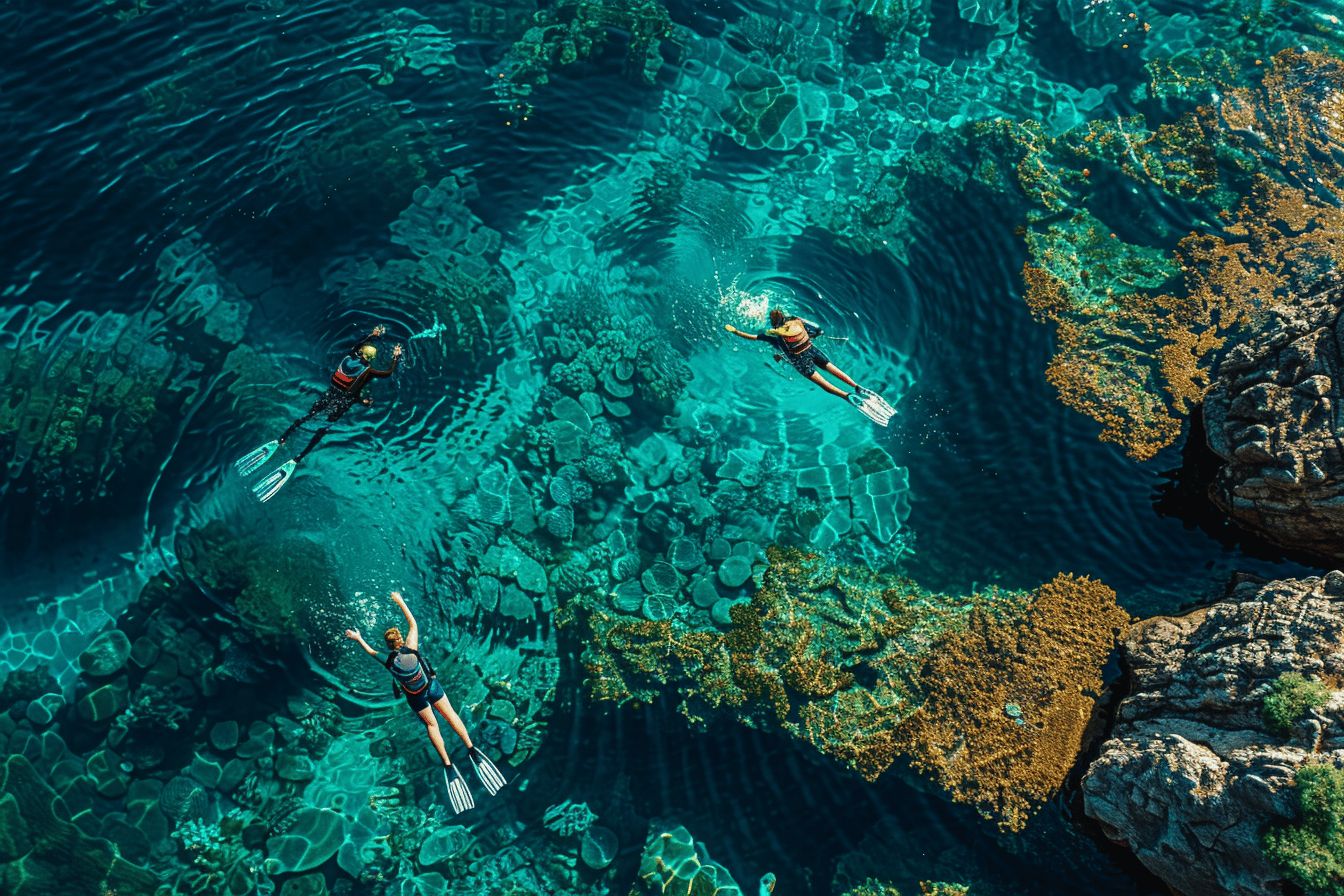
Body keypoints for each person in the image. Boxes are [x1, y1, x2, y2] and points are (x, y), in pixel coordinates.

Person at [344, 591, 507, 814]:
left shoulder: (388, 661)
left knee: (433, 726)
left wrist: (358, 637)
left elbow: (371, 651)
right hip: (432, 687)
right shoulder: (412, 647)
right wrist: (401, 601)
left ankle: (448, 765)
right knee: (452, 717)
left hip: (416, 697)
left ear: (388, 645)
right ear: (400, 639)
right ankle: (471, 748)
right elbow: (413, 622)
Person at [234, 325, 403, 501]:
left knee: (308, 416)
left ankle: (282, 439)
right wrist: (396, 357)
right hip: (342, 402)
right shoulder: (368, 371)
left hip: (329, 394)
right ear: (370, 359)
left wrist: (372, 335)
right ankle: (297, 458)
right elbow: (387, 373)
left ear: (360, 352)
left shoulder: (349, 357)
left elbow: (357, 345)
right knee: (323, 429)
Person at [725, 308, 863, 399]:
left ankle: (846, 396)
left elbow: (752, 337)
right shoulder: (796, 322)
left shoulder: (773, 337)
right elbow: (815, 331)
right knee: (833, 369)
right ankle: (856, 386)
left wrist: (735, 331)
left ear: (773, 323)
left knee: (823, 383)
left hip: (799, 360)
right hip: (812, 349)